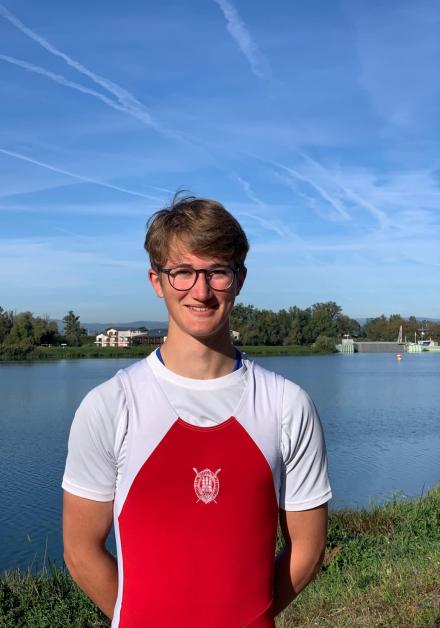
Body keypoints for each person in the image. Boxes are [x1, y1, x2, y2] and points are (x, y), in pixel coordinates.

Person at [62, 194, 332, 628]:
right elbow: (80, 552)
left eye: (217, 272)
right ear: (157, 280)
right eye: (183, 272)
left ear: (240, 279)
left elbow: (309, 549)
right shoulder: (110, 405)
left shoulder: (288, 405)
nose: (201, 291)